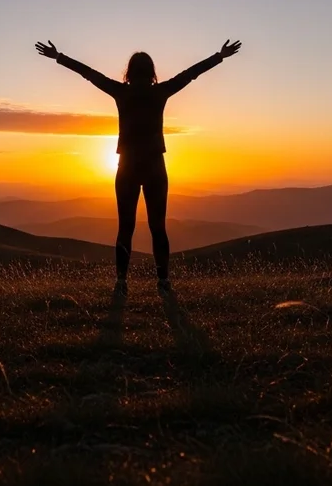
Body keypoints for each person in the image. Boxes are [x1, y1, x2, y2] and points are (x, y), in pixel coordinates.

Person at [34, 38, 242, 296]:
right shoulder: (159, 92)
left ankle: (121, 282)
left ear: (129, 72)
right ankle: (163, 282)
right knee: (158, 227)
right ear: (152, 72)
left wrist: (59, 57)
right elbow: (189, 75)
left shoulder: (122, 92)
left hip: (128, 166)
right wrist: (219, 56)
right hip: (155, 165)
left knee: (125, 227)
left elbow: (89, 75)